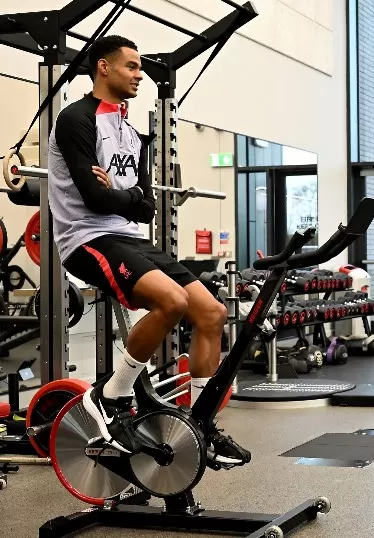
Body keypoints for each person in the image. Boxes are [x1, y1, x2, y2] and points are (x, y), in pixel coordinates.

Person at [47, 35, 249, 465]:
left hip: (131, 237)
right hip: (87, 239)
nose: (140, 75)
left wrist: (126, 195)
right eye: (132, 66)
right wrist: (127, 197)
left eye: (140, 68)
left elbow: (147, 203)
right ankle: (109, 397)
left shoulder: (132, 134)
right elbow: (94, 199)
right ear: (103, 67)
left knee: (212, 313)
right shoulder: (75, 119)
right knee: (172, 301)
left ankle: (198, 423)